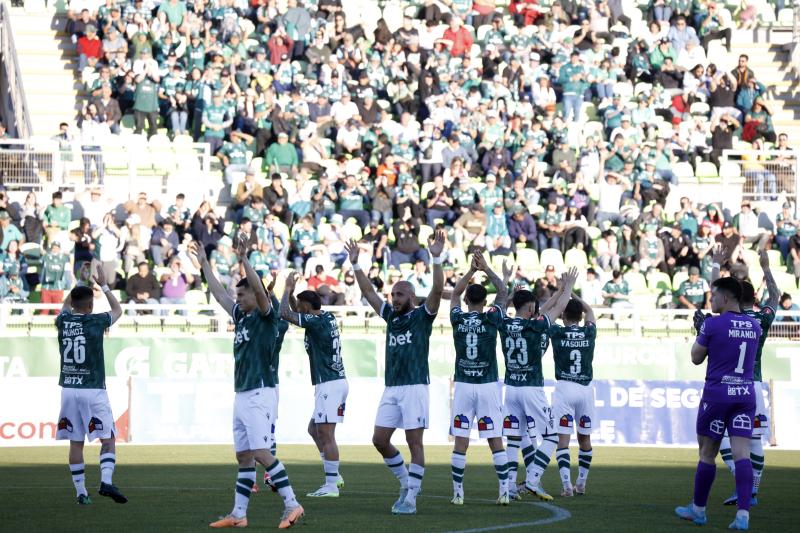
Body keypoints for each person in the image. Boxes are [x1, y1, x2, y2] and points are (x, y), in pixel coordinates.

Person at [189, 241, 304, 529]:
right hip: (242, 394)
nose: (237, 299)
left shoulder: (266, 316)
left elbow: (262, 294)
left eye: (242, 294)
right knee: (243, 456)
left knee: (262, 453)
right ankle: (239, 514)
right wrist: (204, 264)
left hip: (259, 393)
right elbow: (218, 295)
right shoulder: (241, 315)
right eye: (237, 295)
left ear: (257, 294)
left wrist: (245, 260)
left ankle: (292, 504)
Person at [344, 231, 445, 515]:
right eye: (393, 295)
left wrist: (436, 258)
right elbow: (367, 293)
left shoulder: (422, 316)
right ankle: (405, 483)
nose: (394, 299)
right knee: (379, 440)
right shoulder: (390, 316)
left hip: (415, 386)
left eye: (400, 294)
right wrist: (355, 264)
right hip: (392, 388)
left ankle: (412, 498)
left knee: (415, 443)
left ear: (411, 296)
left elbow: (437, 290)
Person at [675, 277, 761, 531]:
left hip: (717, 395)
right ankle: (743, 515)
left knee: (707, 453)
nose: (710, 299)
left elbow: (695, 357)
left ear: (725, 298)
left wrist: (702, 332)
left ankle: (698, 510)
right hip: (745, 394)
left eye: (713, 296)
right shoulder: (754, 325)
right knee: (742, 454)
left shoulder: (713, 324)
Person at [501, 268, 579, 501]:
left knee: (514, 437)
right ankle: (533, 479)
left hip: (511, 388)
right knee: (552, 435)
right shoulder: (537, 325)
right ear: (532, 309)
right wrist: (569, 288)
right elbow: (558, 308)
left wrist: (559, 290)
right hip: (532, 388)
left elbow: (545, 306)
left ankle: (509, 486)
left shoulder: (505, 323)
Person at [710, 250, 779, 507]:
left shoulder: (731, 318)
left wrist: (716, 263)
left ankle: (742, 483)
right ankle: (752, 491)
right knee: (754, 440)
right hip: (755, 387)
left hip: (731, 385)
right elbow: (775, 296)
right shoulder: (762, 319)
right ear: (755, 299)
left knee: (723, 439)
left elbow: (715, 292)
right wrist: (766, 268)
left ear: (735, 298)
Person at [55, 262, 125, 505]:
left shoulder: (63, 321)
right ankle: (106, 481)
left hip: (68, 390)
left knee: (76, 441)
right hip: (93, 388)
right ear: (90, 305)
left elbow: (66, 306)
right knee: (108, 438)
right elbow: (118, 310)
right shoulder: (96, 322)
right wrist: (103, 284)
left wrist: (79, 282)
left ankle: (81, 493)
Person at [448, 253, 512, 505]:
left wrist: (470, 271)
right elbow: (504, 291)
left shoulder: (458, 318)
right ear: (486, 301)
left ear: (466, 300)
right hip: (487, 385)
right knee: (495, 439)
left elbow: (453, 294)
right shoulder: (491, 317)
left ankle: (457, 493)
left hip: (464, 385)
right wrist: (487, 269)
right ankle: (504, 491)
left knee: (461, 441)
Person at [280, 272, 348, 497]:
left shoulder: (315, 322)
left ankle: (331, 485)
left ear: (307, 308)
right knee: (314, 430)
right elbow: (295, 310)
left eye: (300, 306)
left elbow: (284, 313)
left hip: (330, 383)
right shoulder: (324, 318)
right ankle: (334, 476)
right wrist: (293, 296)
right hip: (332, 382)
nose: (297, 309)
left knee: (327, 434)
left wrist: (287, 289)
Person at [550, 293, 597, 497]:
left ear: (563, 315)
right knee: (584, 438)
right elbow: (591, 312)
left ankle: (567, 486)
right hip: (585, 390)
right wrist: (576, 296)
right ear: (580, 316)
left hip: (565, 388)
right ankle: (582, 483)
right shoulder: (589, 332)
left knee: (563, 440)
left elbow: (547, 318)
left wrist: (561, 295)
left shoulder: (558, 332)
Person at [40, 241, 71, 315]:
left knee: (58, 311)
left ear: (60, 249)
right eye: (53, 247)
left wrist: (68, 285)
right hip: (46, 287)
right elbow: (42, 269)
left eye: (57, 248)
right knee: (44, 310)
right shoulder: (46, 257)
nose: (55, 249)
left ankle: (58, 325)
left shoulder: (64, 258)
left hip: (58, 287)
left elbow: (67, 272)